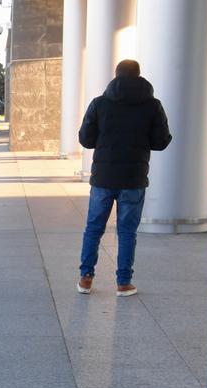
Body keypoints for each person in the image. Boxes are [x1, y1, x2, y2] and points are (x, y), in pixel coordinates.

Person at [77, 58, 172, 297]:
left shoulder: (100, 104)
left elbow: (86, 139)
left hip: (103, 178)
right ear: (139, 76)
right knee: (127, 232)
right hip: (134, 178)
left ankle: (86, 279)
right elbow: (161, 141)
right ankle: (123, 283)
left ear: (116, 75)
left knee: (93, 228)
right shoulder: (152, 105)